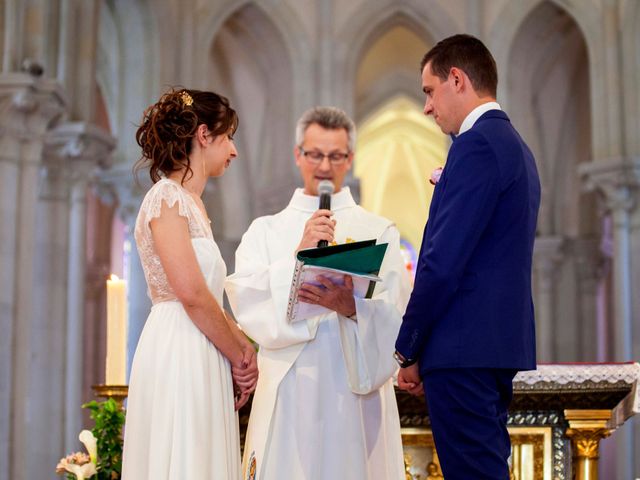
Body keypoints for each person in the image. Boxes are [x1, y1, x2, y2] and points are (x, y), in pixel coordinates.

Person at [225, 106, 411, 480]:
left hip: (354, 397)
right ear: (298, 156)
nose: (324, 165)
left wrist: (353, 307)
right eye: (315, 154)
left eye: (336, 155)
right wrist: (298, 258)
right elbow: (248, 304)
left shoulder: (380, 231)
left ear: (350, 159)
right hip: (290, 391)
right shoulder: (265, 231)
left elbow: (399, 313)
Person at [394, 34, 541, 480]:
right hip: (488, 346)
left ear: (456, 79)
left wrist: (407, 346)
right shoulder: (513, 144)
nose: (426, 107)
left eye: (429, 90)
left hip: (462, 349)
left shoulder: (476, 145)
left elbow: (442, 262)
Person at [122, 88, 258, 479]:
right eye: (228, 136)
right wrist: (238, 355)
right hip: (179, 346)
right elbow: (192, 294)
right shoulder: (166, 197)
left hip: (202, 344)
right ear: (203, 135)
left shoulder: (194, 205)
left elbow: (207, 294)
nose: (233, 151)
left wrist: (242, 344)